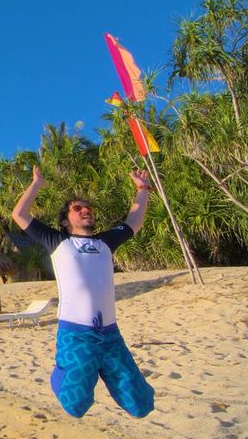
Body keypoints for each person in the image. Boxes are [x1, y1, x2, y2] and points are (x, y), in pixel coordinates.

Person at [11, 166, 155, 418]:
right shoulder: (58, 242)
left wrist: (143, 189)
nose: (85, 210)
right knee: (75, 407)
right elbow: (19, 214)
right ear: (65, 221)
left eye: (87, 207)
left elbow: (135, 221)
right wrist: (36, 185)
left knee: (141, 405)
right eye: (77, 208)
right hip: (76, 335)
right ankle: (62, 372)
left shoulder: (104, 243)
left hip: (111, 336)